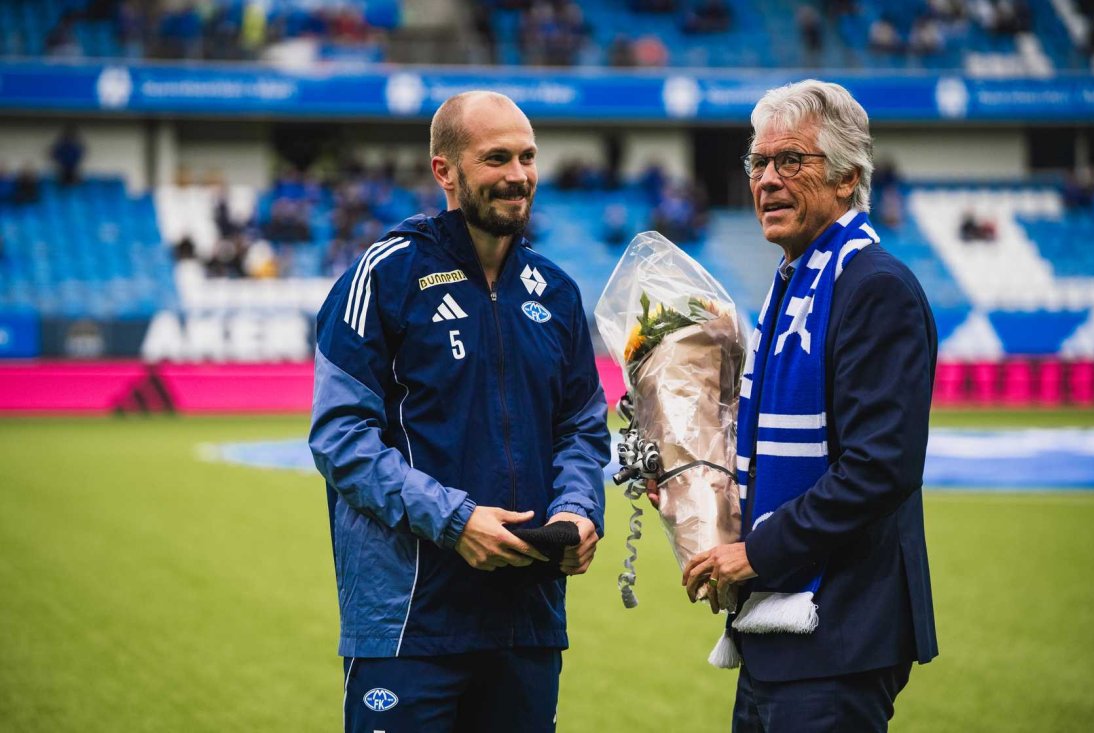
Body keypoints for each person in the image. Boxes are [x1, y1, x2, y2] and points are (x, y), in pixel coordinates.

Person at [309, 91, 610, 733]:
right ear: (445, 171)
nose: (518, 175)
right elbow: (340, 437)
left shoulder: (557, 293)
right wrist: (455, 521)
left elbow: (582, 429)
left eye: (527, 157)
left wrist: (578, 511)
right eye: (496, 158)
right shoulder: (385, 274)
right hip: (409, 624)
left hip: (525, 621)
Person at [675, 79, 938, 731]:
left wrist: (756, 553)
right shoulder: (792, 285)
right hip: (774, 628)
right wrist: (692, 474)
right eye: (758, 162)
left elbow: (880, 467)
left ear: (848, 178)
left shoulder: (873, 287)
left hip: (839, 631)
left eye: (791, 160)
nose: (766, 179)